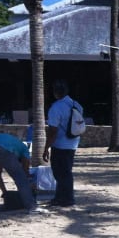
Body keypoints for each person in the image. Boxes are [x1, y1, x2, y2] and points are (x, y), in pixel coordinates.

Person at [43, 79, 82, 207]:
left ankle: (67, 199)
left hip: (60, 144)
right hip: (73, 143)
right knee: (65, 172)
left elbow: (53, 131)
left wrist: (46, 148)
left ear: (55, 93)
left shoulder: (56, 107)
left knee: (60, 173)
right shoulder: (76, 105)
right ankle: (60, 197)